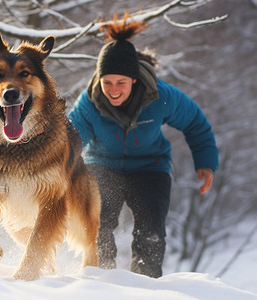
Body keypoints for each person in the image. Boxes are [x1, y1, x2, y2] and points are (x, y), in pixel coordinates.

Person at [68, 15, 219, 278]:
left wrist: (205, 162)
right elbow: (69, 141)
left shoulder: (160, 96)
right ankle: (98, 281)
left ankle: (146, 285)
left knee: (150, 230)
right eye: (107, 82)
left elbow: (195, 123)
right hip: (102, 164)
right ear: (99, 79)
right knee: (97, 224)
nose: (113, 90)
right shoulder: (89, 103)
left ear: (134, 80)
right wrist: (58, 172)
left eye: (121, 83)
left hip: (150, 166)